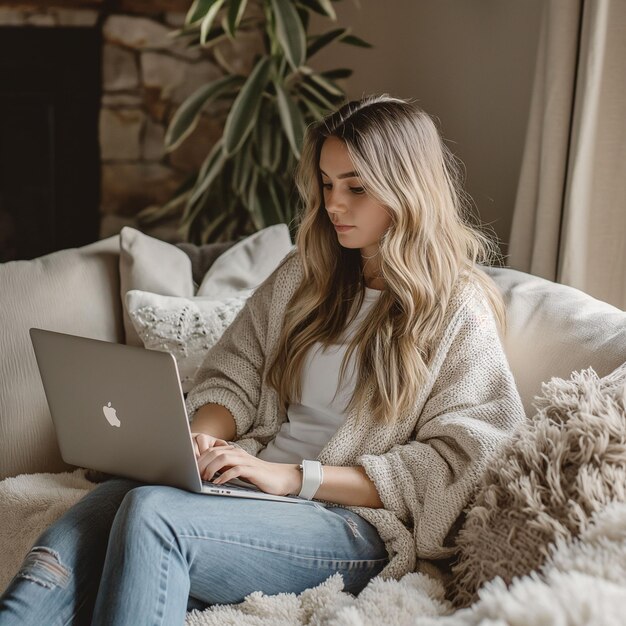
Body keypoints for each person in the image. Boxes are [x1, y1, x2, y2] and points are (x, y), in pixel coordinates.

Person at [0, 94, 526, 625]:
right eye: (326, 183)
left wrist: (297, 477)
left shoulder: (456, 307)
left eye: (356, 188)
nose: (334, 204)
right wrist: (202, 439)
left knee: (153, 514)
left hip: (350, 524)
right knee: (107, 507)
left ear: (407, 190)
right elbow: (234, 373)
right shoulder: (305, 276)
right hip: (251, 488)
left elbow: (461, 460)